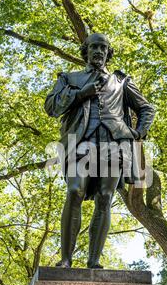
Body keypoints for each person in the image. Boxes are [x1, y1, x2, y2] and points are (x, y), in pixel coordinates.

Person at [44, 33, 155, 268]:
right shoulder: (69, 78)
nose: (99, 51)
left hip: (114, 143)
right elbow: (51, 106)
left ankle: (94, 261)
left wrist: (137, 133)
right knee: (74, 191)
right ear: (85, 51)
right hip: (80, 142)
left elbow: (147, 108)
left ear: (108, 52)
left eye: (103, 48)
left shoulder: (122, 81)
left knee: (105, 198)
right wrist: (80, 94)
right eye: (94, 47)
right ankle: (66, 260)